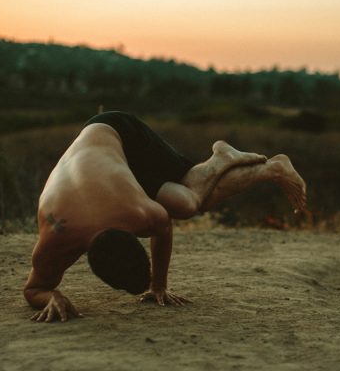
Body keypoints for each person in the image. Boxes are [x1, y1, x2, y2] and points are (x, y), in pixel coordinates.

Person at [24, 111, 307, 322]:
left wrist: (158, 285)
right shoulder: (56, 233)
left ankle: (224, 159)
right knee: (187, 201)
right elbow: (34, 290)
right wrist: (53, 296)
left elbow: (164, 229)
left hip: (118, 132)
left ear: (132, 232)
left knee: (187, 204)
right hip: (104, 161)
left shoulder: (138, 211)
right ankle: (267, 169)